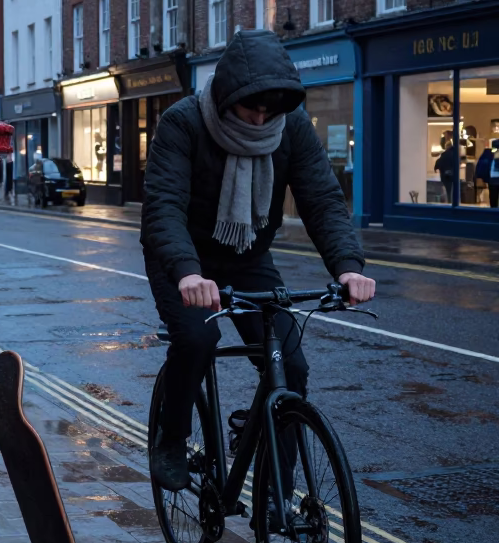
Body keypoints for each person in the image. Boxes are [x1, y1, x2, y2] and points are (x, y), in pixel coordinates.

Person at [141, 30, 375, 491]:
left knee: (292, 366)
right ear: (227, 97)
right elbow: (163, 207)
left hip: (247, 255)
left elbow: (322, 200)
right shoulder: (183, 123)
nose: (261, 118)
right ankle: (171, 437)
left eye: (271, 110)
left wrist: (348, 266)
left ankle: (275, 485)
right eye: (252, 108)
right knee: (196, 341)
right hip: (184, 259)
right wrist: (188, 273)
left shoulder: (291, 129)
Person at [434, 136, 459, 203]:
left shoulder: (444, 154)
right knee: (454, 190)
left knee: (448, 190)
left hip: (445, 175)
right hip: (453, 175)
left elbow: (439, 162)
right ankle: (454, 203)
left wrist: (436, 168)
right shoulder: (455, 154)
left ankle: (449, 202)